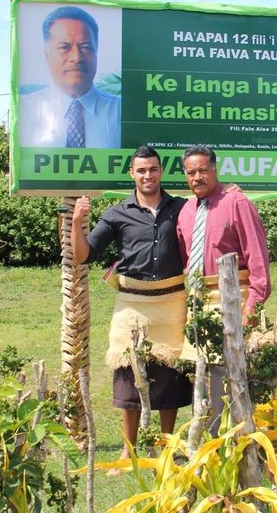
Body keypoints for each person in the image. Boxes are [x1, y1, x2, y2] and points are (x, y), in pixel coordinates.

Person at [71, 146, 191, 459]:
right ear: (132, 174)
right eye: (141, 170)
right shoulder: (116, 213)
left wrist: (228, 192)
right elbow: (84, 254)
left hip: (171, 301)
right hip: (131, 304)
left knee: (169, 376)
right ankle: (129, 452)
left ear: (160, 171)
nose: (147, 175)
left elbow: (212, 211)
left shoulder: (182, 207)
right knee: (127, 376)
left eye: (152, 169)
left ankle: (166, 447)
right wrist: (76, 221)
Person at [176, 144, 271, 434]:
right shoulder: (186, 210)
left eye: (203, 171)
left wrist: (251, 305)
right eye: (191, 173)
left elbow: (257, 257)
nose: (197, 178)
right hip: (197, 301)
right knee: (202, 373)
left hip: (232, 298)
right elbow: (183, 256)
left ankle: (236, 436)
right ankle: (207, 437)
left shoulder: (236, 202)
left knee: (229, 374)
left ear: (215, 170)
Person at [19, 5, 121, 148]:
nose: (77, 57)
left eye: (86, 47)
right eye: (64, 47)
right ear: (47, 55)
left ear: (96, 52)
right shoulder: (23, 111)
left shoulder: (121, 113)